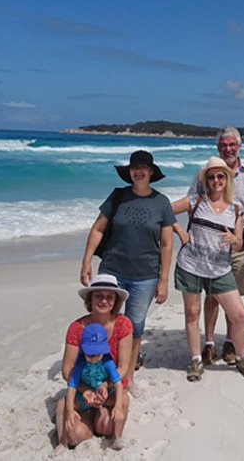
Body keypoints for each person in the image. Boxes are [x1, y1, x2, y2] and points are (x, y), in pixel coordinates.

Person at [80, 150, 175, 388]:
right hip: (112, 269)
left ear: (151, 172)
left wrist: (163, 280)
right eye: (134, 167)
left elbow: (166, 244)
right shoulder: (118, 196)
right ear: (129, 171)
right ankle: (100, 367)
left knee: (134, 325)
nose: (138, 171)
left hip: (145, 275)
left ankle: (127, 374)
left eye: (143, 168)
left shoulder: (161, 202)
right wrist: (86, 261)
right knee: (103, 318)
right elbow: (98, 229)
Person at [171, 156, 244, 382]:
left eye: (221, 176)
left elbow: (240, 242)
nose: (216, 180)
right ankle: (195, 360)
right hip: (190, 265)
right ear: (206, 181)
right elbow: (164, 210)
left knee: (239, 314)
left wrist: (234, 239)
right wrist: (180, 232)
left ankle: (241, 357)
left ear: (227, 179)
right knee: (192, 313)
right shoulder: (196, 201)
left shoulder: (235, 209)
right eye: (211, 177)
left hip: (220, 269)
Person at [186, 127, 244, 366]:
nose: (228, 149)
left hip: (241, 244)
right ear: (218, 148)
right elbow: (192, 204)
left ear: (239, 146)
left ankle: (231, 342)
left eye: (232, 145)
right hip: (211, 245)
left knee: (235, 295)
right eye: (224, 145)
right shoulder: (205, 172)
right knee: (212, 295)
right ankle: (209, 343)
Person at [56, 275, 132, 450]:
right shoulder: (76, 328)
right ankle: (68, 434)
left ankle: (103, 421)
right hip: (84, 387)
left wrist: (105, 386)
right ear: (90, 299)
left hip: (109, 388)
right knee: (76, 436)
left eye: (109, 296)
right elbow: (67, 371)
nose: (104, 301)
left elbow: (123, 368)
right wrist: (85, 390)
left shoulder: (123, 324)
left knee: (110, 424)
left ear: (115, 300)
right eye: (99, 296)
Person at [61, 323, 127, 451]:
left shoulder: (107, 361)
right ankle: (62, 442)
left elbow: (118, 384)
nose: (93, 358)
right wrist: (69, 410)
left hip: (103, 397)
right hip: (85, 397)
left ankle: (117, 437)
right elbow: (72, 386)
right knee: (61, 405)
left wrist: (118, 406)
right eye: (90, 354)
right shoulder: (80, 363)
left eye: (97, 354)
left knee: (123, 399)